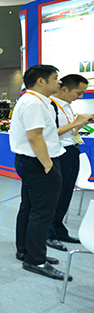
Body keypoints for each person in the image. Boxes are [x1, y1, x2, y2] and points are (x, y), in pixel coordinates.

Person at [9, 64, 70, 281]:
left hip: (32, 161)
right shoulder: (34, 103)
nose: (59, 82)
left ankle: (26, 250)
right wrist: (48, 165)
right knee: (42, 212)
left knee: (30, 207)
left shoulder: (35, 101)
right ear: (41, 81)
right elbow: (35, 136)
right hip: (38, 162)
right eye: (55, 78)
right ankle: (36, 260)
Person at [48, 74, 93, 250]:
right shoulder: (50, 106)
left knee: (66, 193)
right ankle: (49, 233)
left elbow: (69, 131)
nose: (80, 97)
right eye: (78, 93)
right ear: (65, 89)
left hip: (72, 150)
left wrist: (82, 122)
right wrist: (77, 122)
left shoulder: (67, 106)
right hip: (59, 153)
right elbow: (50, 133)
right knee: (55, 194)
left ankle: (59, 229)